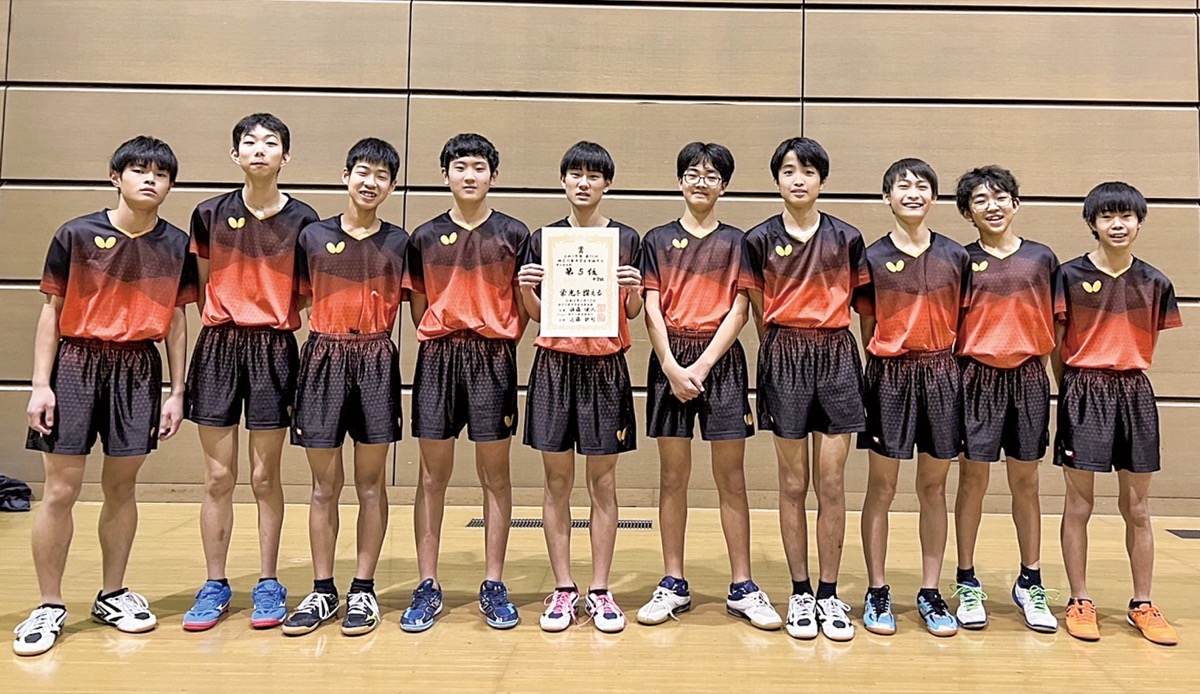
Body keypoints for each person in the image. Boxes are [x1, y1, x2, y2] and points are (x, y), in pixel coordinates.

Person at [15, 136, 196, 656]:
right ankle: (49, 605)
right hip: (75, 364)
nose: (150, 180)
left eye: (161, 174)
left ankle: (112, 594)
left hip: (137, 369)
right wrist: (41, 385)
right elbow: (51, 312)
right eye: (138, 170)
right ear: (115, 177)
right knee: (60, 490)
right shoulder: (74, 234)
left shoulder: (177, 245)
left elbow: (177, 321)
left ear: (170, 185)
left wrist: (177, 391)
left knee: (122, 487)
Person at [636, 142, 782, 631]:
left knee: (731, 478)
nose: (702, 182)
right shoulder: (656, 239)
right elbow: (651, 306)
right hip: (670, 362)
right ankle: (673, 581)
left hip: (720, 363)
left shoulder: (739, 242)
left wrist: (700, 365)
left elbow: (741, 309)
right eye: (693, 174)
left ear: (725, 186)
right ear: (680, 181)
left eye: (712, 175)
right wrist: (671, 365)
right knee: (672, 477)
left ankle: (743, 585)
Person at [182, 113, 319, 632]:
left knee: (265, 476)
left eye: (271, 142)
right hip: (219, 347)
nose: (259, 149)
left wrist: (264, 313)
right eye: (249, 142)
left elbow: (305, 294)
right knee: (218, 476)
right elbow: (201, 283)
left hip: (274, 348)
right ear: (234, 154)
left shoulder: (305, 220)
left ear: (287, 156)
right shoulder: (208, 214)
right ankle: (215, 583)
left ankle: (268, 581)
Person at [400, 134, 529, 631]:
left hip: (493, 358)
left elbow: (524, 303)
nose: (469, 175)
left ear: (493, 175)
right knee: (432, 476)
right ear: (445, 175)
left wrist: (498, 335)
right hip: (438, 356)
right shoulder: (424, 236)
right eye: (460, 166)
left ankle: (493, 581)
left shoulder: (515, 233)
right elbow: (418, 306)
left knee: (495, 475)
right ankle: (427, 583)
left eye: (479, 166)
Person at [281, 138, 407, 637]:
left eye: (381, 175)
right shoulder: (312, 236)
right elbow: (300, 298)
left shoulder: (401, 243)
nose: (370, 182)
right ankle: (322, 589)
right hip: (323, 357)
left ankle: (364, 588)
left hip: (376, 357)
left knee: (371, 483)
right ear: (345, 175)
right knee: (323, 486)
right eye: (362, 172)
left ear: (391, 186)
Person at [741, 137, 866, 641]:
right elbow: (756, 310)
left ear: (822, 180)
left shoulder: (847, 237)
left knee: (831, 483)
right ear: (777, 179)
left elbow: (862, 306)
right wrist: (780, 354)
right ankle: (799, 591)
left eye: (809, 171)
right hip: (784, 356)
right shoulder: (758, 239)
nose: (799, 179)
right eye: (789, 171)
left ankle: (829, 593)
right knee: (793, 484)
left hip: (836, 355)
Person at [517, 141, 642, 633]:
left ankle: (602, 590)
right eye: (575, 174)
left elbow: (631, 312)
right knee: (556, 483)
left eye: (593, 175)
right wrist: (527, 288)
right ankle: (564, 588)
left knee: (603, 483)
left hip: (605, 368)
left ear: (607, 183)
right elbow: (536, 315)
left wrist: (632, 290)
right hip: (555, 365)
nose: (583, 183)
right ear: (563, 180)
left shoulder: (626, 238)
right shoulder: (543, 239)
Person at [1053, 182, 1181, 646]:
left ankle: (1142, 603)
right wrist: (1071, 390)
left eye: (1126, 216)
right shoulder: (1067, 276)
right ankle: (1079, 600)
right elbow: (1056, 346)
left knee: (1138, 507)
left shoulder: (1156, 282)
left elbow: (1149, 341)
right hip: (1083, 389)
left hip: (1134, 392)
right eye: (1107, 216)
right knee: (1079, 504)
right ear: (1092, 222)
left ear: (1140, 222)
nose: (1118, 224)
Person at [855, 158, 969, 637]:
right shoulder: (871, 257)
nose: (913, 193)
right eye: (903, 186)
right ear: (887, 197)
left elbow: (964, 321)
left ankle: (930, 590)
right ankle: (877, 589)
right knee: (881, 487)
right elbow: (867, 324)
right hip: (890, 375)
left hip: (942, 373)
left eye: (923, 186)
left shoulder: (956, 256)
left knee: (934, 488)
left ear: (934, 198)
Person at [951, 166, 1058, 633]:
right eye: (980, 200)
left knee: (1026, 483)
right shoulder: (959, 259)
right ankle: (967, 579)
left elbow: (1057, 326)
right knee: (972, 481)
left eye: (1000, 197)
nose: (991, 206)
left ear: (1016, 204)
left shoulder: (1042, 258)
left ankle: (1030, 580)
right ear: (967, 212)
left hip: (1029, 378)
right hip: (975, 378)